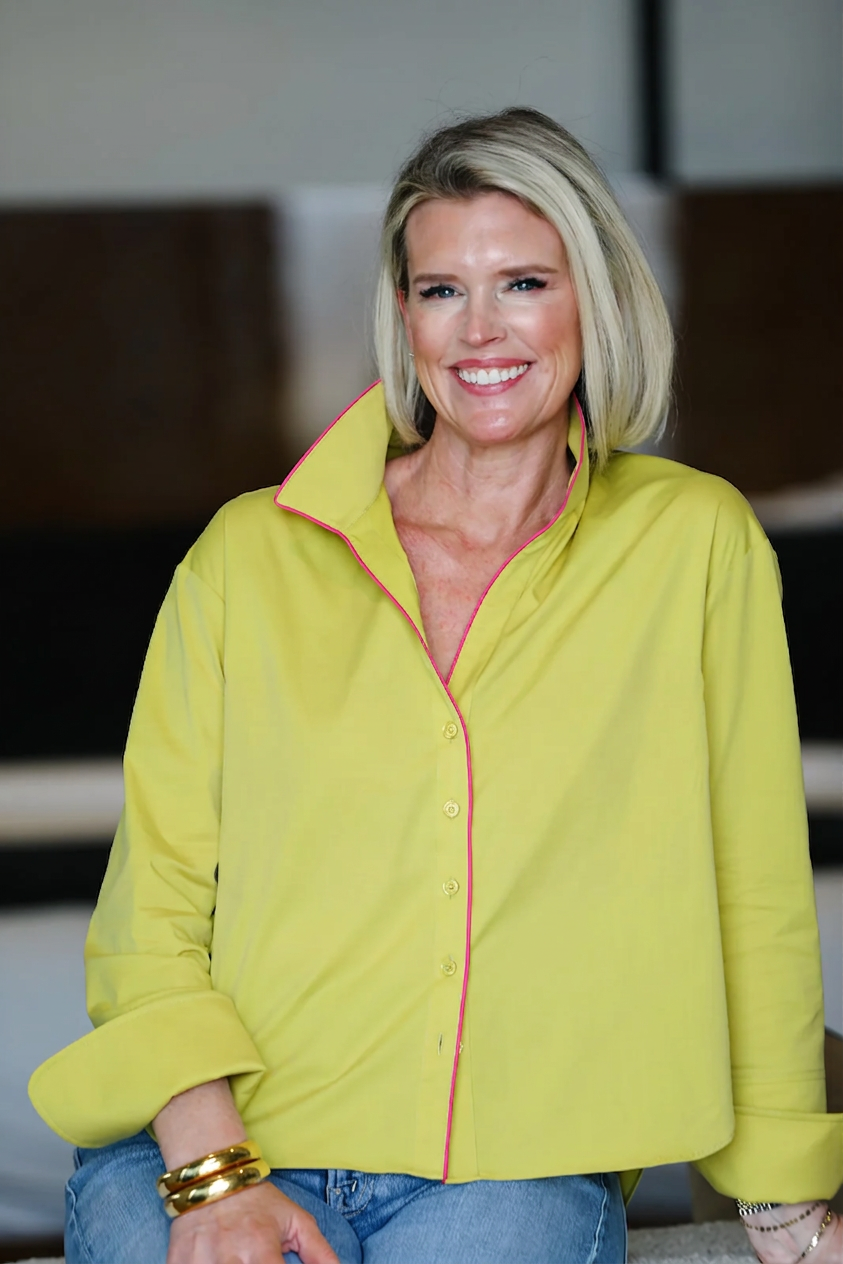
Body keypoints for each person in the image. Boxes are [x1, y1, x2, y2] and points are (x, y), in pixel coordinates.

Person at [30, 107, 843, 1264]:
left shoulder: (695, 546)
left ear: (593, 298)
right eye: (440, 290)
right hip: (217, 1137)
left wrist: (783, 1201)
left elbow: (755, 892)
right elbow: (151, 905)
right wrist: (217, 1177)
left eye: (522, 281)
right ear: (401, 315)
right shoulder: (246, 556)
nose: (481, 331)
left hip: (518, 1163)